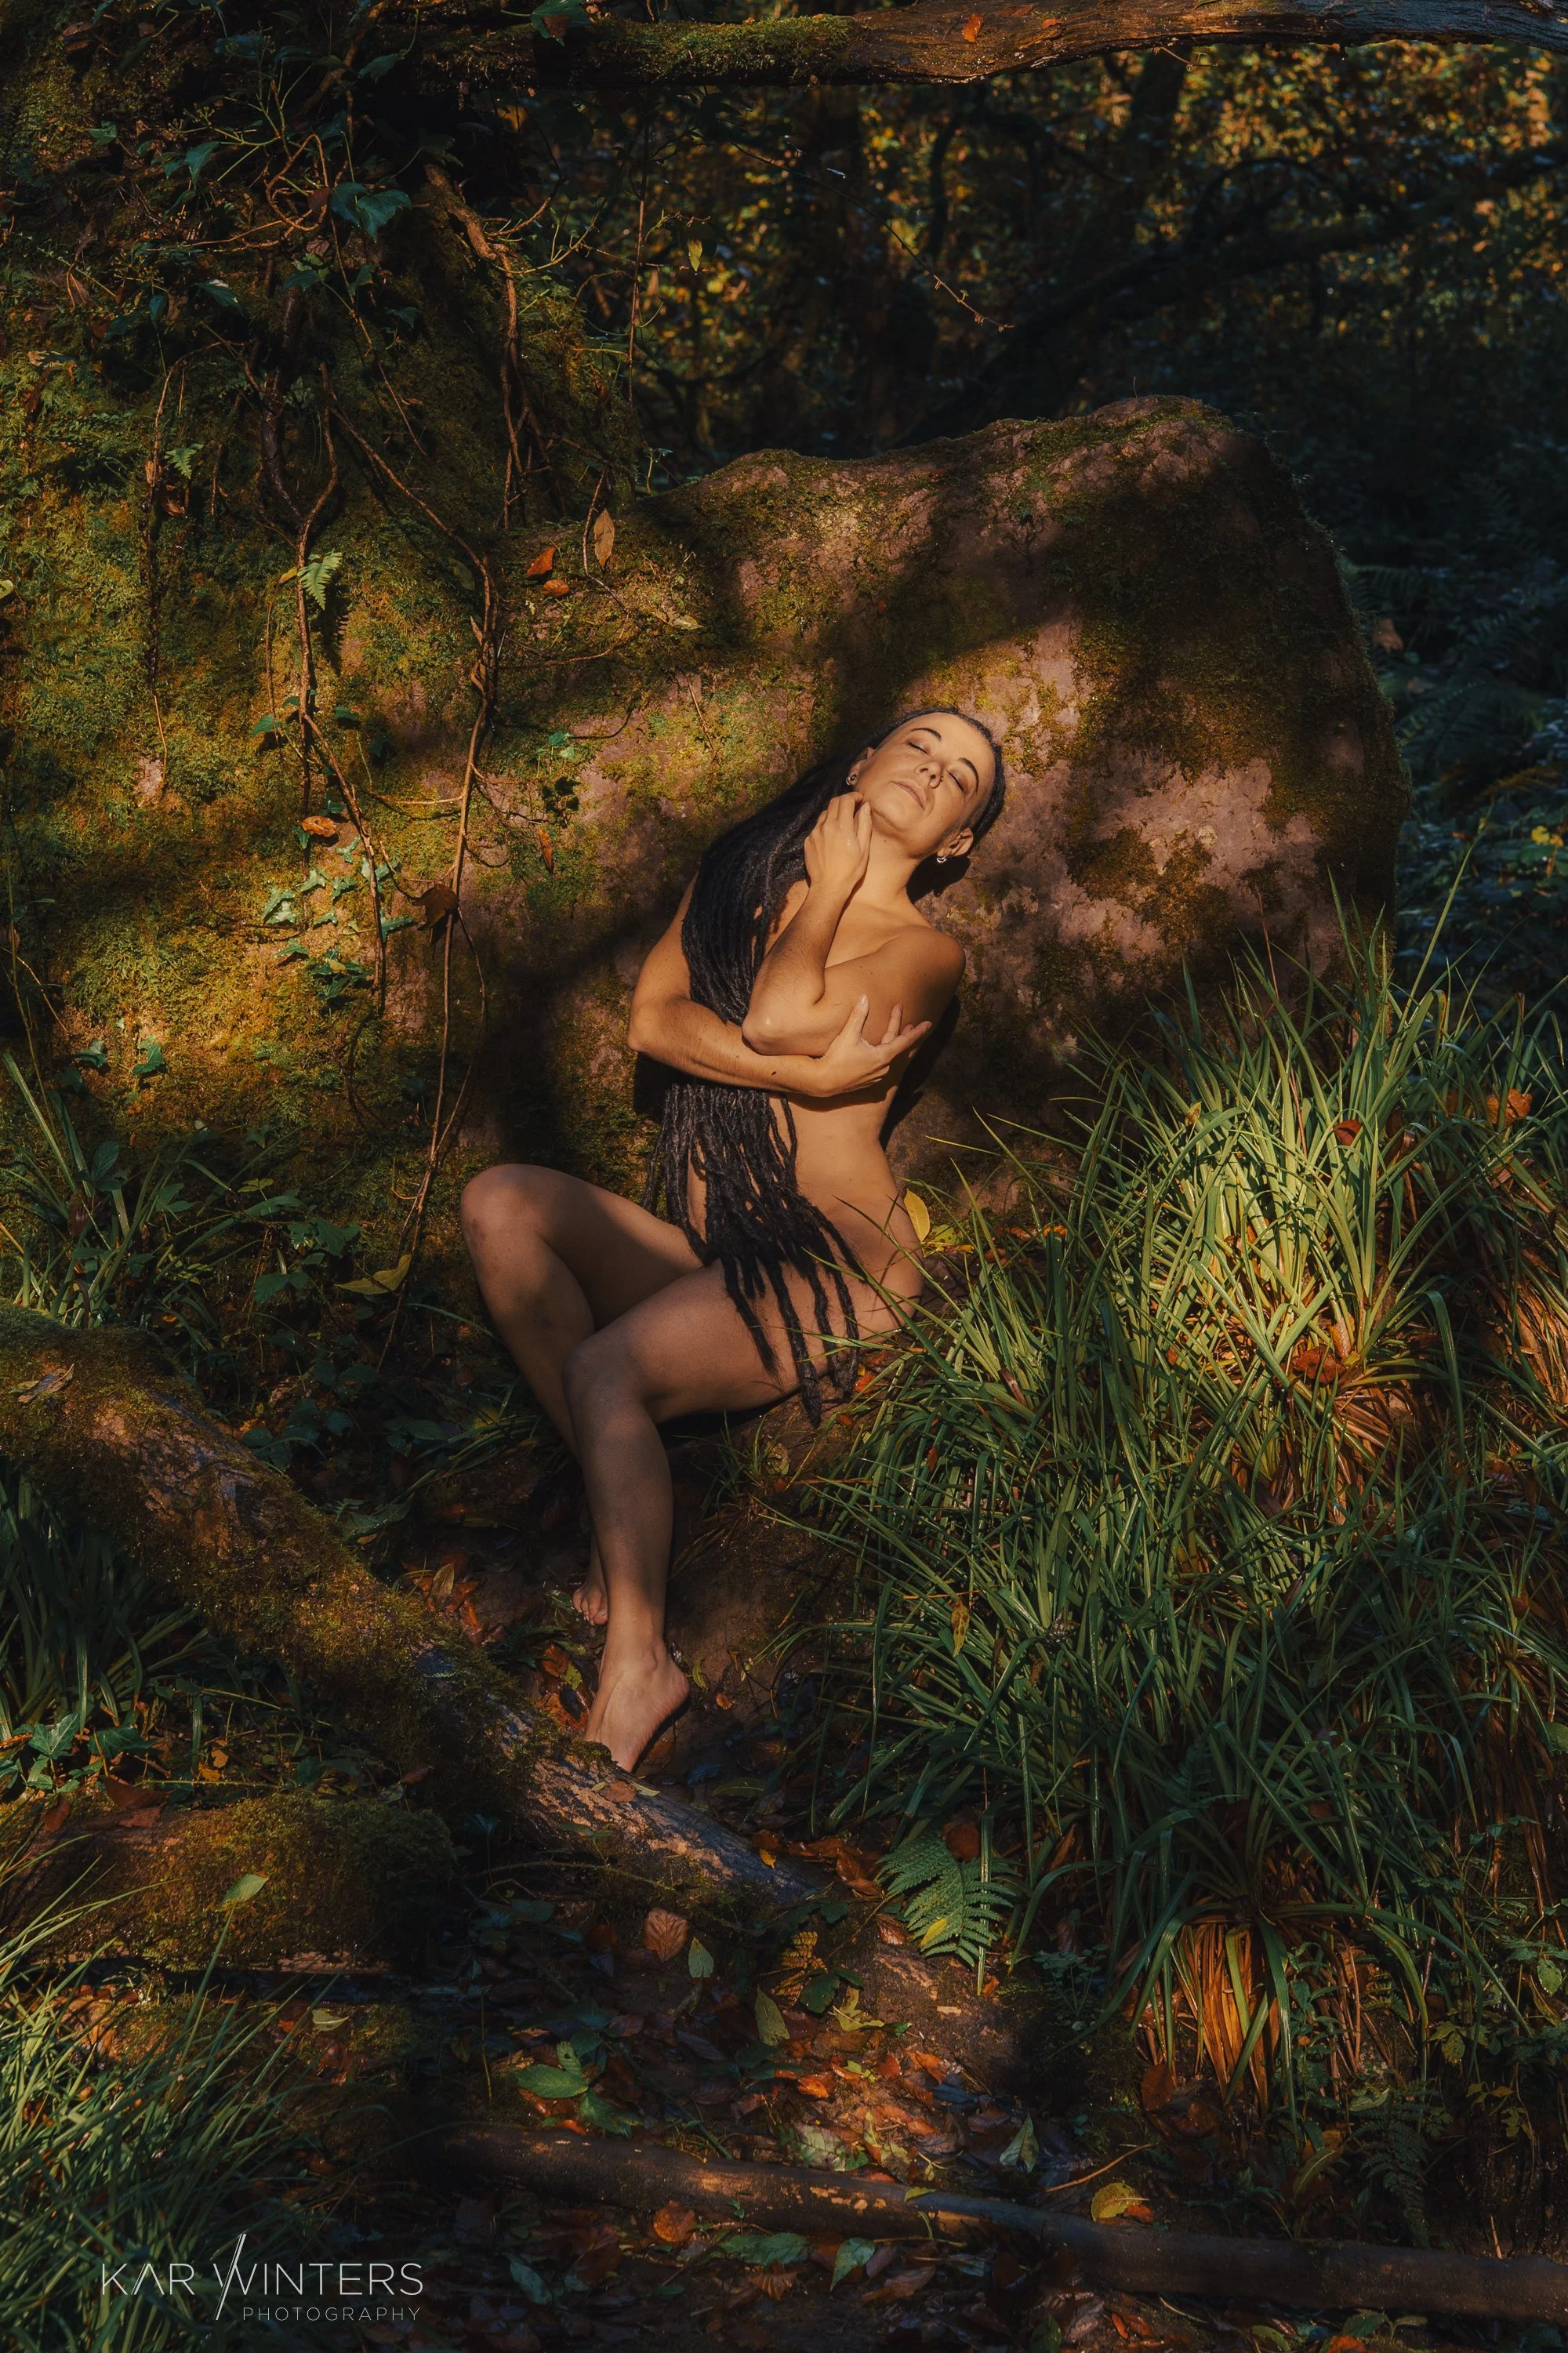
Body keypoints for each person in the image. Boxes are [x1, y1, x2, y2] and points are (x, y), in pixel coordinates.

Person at [460, 707, 1006, 1769]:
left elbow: (777, 1016)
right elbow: (653, 1022)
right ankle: (624, 1522)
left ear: (955, 843)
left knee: (606, 1368)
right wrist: (802, 1080)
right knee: (500, 1205)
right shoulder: (737, 879)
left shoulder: (925, 952)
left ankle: (639, 1666)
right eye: (922, 745)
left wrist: (833, 890)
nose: (934, 770)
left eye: (961, 779)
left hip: (836, 1263)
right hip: (722, 1253)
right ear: (865, 760)